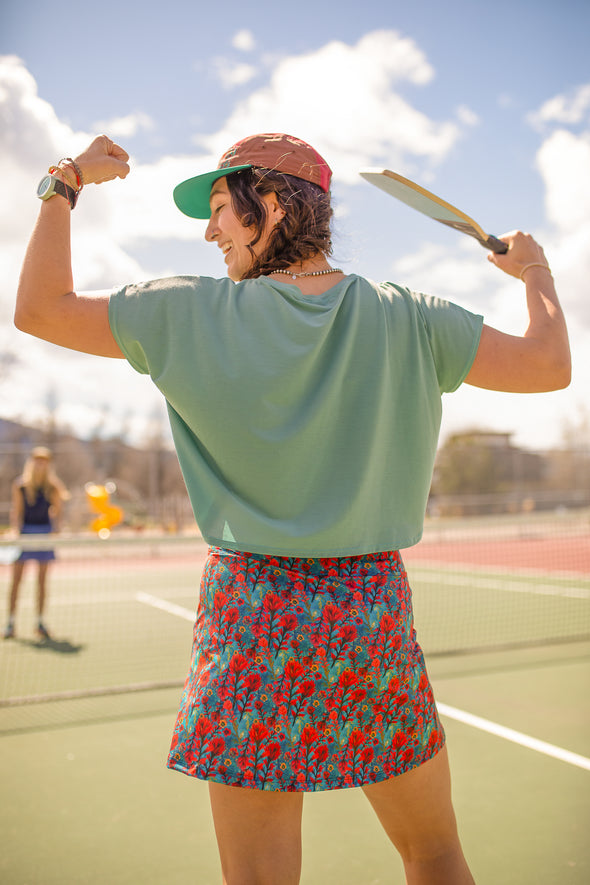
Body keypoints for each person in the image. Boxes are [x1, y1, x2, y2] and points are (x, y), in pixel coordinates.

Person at [14, 133, 570, 884]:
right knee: (434, 852)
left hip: (249, 618)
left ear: (268, 207)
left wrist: (66, 179)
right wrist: (534, 270)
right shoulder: (407, 315)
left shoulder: (185, 312)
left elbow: (39, 309)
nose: (209, 231)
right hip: (369, 614)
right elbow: (548, 364)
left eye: (218, 209)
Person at [4, 446, 68, 640]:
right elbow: (17, 512)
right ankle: (11, 623)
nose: (41, 463)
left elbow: (58, 512)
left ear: (48, 464)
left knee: (41, 581)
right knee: (16, 580)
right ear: (32, 462)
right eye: (37, 460)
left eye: (44, 460)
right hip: (25, 535)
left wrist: (56, 527)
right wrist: (16, 532)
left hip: (44, 536)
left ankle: (40, 622)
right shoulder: (21, 485)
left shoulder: (53, 487)